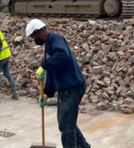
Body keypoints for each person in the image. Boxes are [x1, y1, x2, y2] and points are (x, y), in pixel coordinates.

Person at [26, 19, 91, 148]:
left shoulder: (55, 38)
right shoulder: (49, 47)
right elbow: (52, 72)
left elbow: (62, 55)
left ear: (37, 32)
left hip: (72, 87)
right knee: (67, 123)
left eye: (33, 36)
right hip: (66, 88)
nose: (34, 39)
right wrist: (46, 93)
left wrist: (44, 66)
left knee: (66, 126)